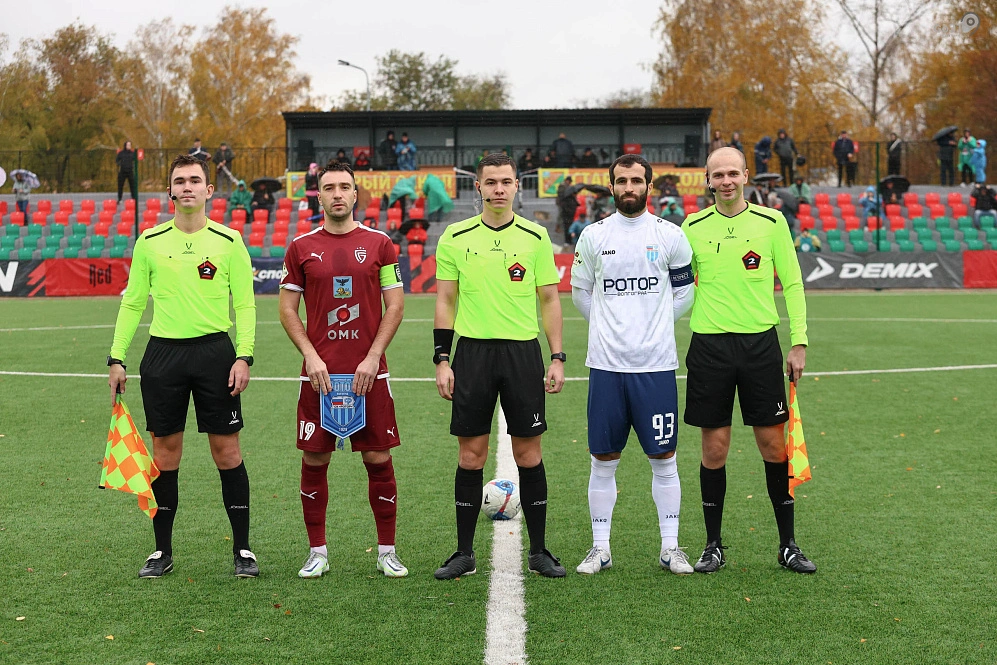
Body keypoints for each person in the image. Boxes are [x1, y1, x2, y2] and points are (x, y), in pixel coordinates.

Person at [106, 153, 257, 579]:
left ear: (209, 190)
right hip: (163, 357)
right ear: (170, 191)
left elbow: (245, 304)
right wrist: (116, 356)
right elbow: (133, 303)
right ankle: (161, 551)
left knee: (227, 451)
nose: (187, 187)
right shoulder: (150, 241)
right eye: (179, 181)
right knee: (165, 454)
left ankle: (243, 550)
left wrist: (244, 354)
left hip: (215, 355)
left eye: (194, 180)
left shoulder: (229, 241)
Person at [432, 152, 566, 580]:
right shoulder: (455, 236)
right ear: (478, 187)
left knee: (529, 453)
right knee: (471, 455)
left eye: (506, 182)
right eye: (490, 182)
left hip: (522, 354)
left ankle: (539, 551)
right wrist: (442, 358)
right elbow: (446, 300)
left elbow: (549, 299)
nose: (499, 189)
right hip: (472, 355)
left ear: (517, 186)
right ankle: (464, 553)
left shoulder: (535, 236)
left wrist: (557, 357)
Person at [682, 146, 815, 575]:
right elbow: (677, 287)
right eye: (717, 174)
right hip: (709, 348)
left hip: (760, 346)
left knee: (773, 445)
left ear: (746, 175)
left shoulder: (772, 221)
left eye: (732, 173)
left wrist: (799, 342)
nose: (725, 181)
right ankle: (712, 545)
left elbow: (792, 283)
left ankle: (788, 544)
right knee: (714, 448)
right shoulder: (691, 226)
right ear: (707, 179)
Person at [278, 161, 408, 579]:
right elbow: (287, 309)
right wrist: (310, 356)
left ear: (355, 194)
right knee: (314, 458)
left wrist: (372, 356)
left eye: (344, 187)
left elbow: (396, 305)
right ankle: (317, 551)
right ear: (318, 195)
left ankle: (387, 551)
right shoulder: (300, 247)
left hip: (370, 373)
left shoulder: (380, 244)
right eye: (329, 187)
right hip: (318, 375)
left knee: (378, 456)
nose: (337, 194)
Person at [570, 154, 696, 576]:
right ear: (611, 187)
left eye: (636, 180)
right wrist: (610, 327)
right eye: (621, 181)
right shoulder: (593, 235)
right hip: (606, 365)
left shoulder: (670, 235)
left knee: (664, 457)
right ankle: (600, 548)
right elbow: (581, 293)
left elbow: (685, 293)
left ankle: (670, 547)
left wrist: (651, 326)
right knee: (603, 458)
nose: (629, 187)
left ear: (649, 186)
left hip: (655, 365)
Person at [556, 176, 580, 241]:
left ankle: (559, 227)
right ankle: (558, 227)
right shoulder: (562, 186)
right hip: (562, 203)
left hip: (563, 203)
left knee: (562, 217)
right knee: (560, 216)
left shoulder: (566, 186)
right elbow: (561, 195)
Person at [116, 140, 139, 204]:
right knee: (120, 185)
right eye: (128, 145)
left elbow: (136, 160)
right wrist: (121, 164)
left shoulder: (132, 153)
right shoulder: (121, 153)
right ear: (125, 145)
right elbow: (117, 160)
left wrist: (132, 165)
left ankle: (133, 198)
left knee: (132, 185)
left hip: (130, 171)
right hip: (122, 171)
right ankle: (119, 199)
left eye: (130, 145)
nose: (129, 146)